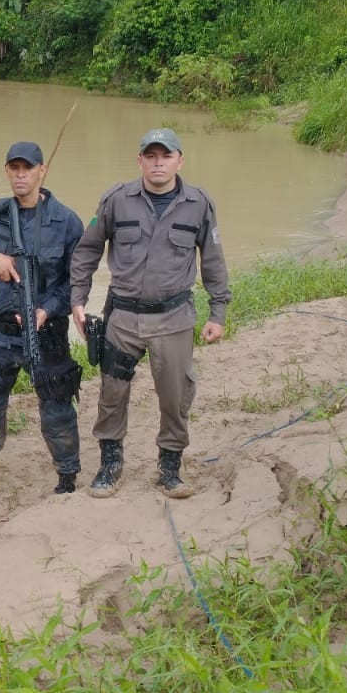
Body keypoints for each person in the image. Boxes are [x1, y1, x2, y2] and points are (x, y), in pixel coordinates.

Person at [70, 128, 231, 499]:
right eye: (151, 156)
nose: (158, 163)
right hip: (122, 319)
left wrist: (217, 312)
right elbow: (86, 251)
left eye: (166, 155)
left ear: (179, 160)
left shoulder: (198, 203)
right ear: (139, 160)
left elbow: (214, 261)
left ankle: (170, 469)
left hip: (173, 318)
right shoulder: (116, 200)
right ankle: (111, 465)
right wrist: (78, 301)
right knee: (112, 394)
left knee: (175, 396)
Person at [0, 142, 85, 505]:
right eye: (13, 168)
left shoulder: (67, 221)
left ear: (42, 171)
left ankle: (67, 475)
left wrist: (47, 309)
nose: (20, 175)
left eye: (27, 168)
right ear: (6, 171)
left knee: (57, 404)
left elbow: (75, 280)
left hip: (46, 333)